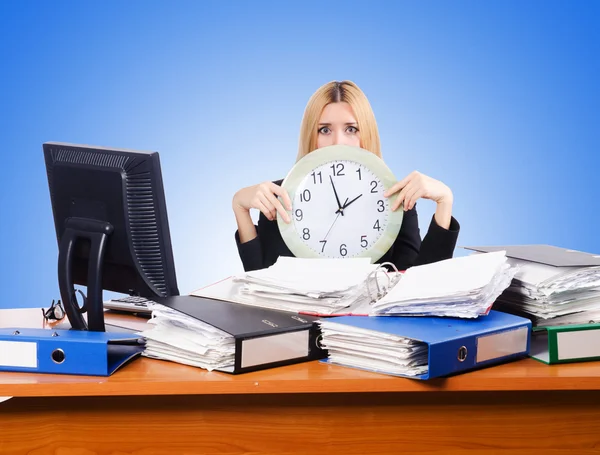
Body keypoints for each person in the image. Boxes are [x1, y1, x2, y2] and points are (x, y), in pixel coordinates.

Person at [232, 80, 460, 272]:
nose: (338, 142)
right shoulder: (279, 196)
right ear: (311, 135)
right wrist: (240, 206)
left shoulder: (396, 199)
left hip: (364, 324)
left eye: (351, 129)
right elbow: (260, 280)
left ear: (366, 134)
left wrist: (445, 202)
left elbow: (417, 286)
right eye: (325, 130)